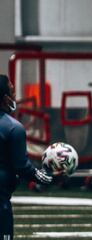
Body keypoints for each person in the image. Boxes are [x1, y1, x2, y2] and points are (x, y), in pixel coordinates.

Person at [0, 74, 53, 239]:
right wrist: (45, 176)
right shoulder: (14, 128)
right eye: (12, 91)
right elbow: (22, 167)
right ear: (5, 98)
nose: (15, 96)